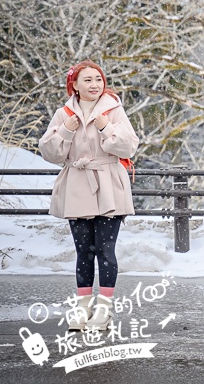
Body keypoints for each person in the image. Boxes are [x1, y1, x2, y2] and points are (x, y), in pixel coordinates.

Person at [38, 60, 138, 333]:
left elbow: (129, 146)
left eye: (98, 79)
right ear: (75, 85)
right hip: (77, 185)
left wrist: (106, 128)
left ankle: (103, 310)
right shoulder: (64, 113)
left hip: (109, 185)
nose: (95, 85)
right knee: (83, 251)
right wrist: (66, 130)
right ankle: (83, 308)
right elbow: (50, 153)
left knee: (105, 250)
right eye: (88, 80)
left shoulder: (113, 110)